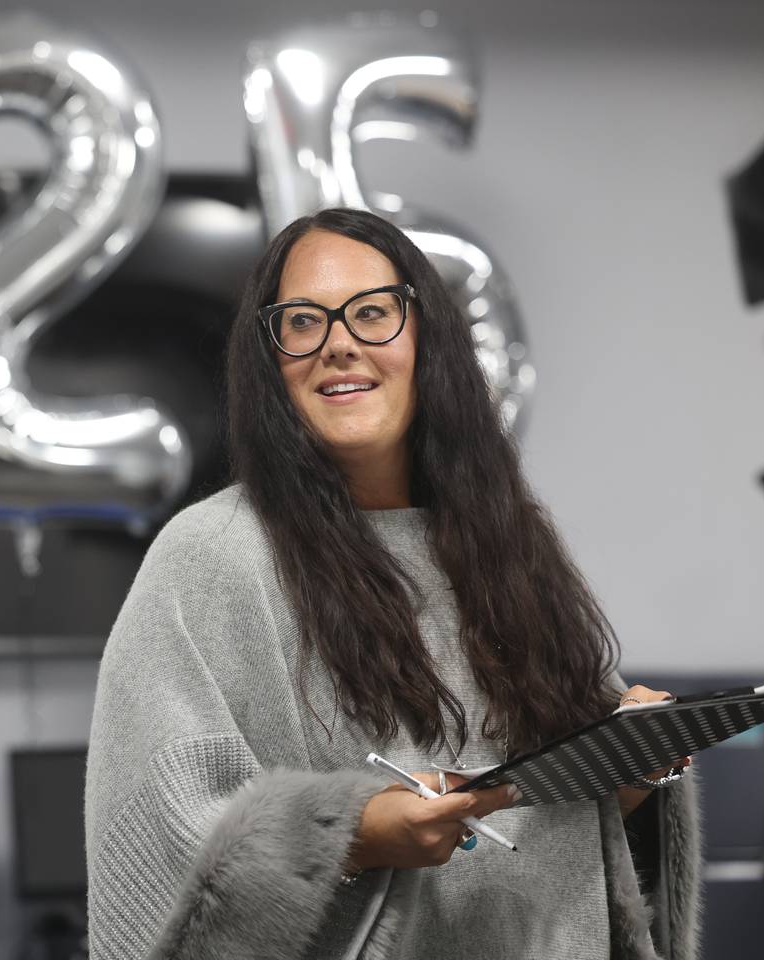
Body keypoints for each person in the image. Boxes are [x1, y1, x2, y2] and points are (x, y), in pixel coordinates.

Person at [84, 208, 700, 960]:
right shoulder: (211, 556)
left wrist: (628, 768)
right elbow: (160, 830)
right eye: (303, 322)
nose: (339, 343)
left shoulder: (507, 539)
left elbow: (570, 835)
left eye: (373, 313)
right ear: (270, 360)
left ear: (425, 340)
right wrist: (351, 834)